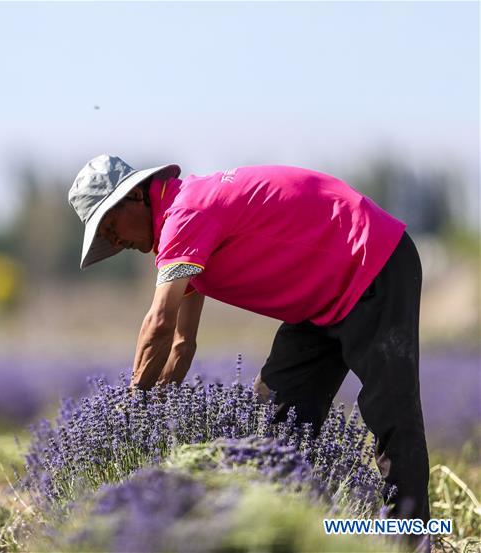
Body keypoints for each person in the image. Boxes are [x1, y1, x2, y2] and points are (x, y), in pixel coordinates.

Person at [68, 154, 430, 548]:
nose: (115, 242)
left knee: (391, 412)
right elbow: (181, 345)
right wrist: (153, 416)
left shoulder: (186, 214)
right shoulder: (182, 235)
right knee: (273, 425)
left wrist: (133, 404)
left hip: (370, 260)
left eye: (110, 226)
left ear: (136, 196)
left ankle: (411, 541)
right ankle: (287, 535)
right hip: (319, 298)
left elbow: (158, 323)